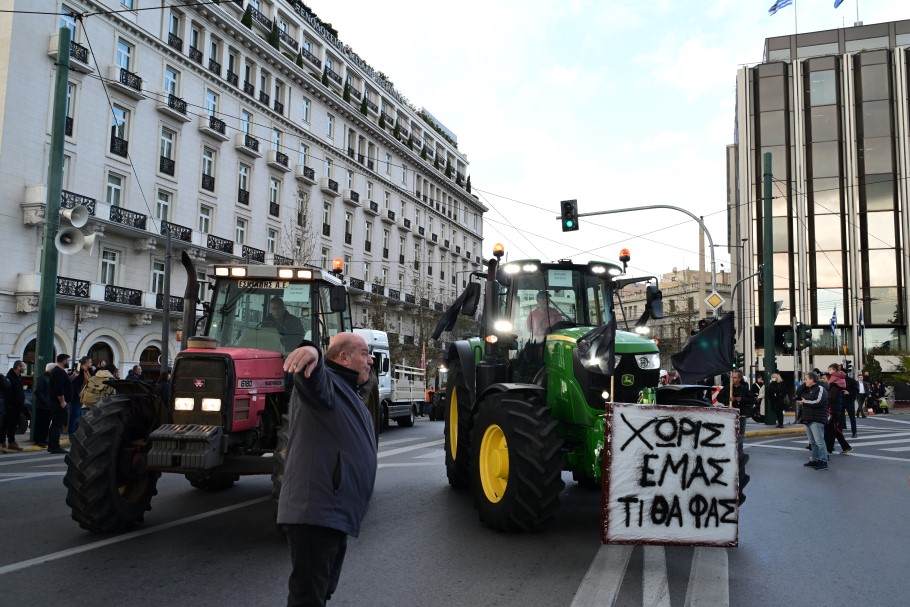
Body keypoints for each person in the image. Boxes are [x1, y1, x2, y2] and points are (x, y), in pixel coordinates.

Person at [279, 333, 378, 607]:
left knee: (319, 593)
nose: (370, 360)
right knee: (307, 598)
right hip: (316, 513)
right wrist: (312, 350)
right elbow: (310, 375)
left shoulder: (348, 390)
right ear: (343, 357)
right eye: (363, 353)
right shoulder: (325, 384)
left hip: (331, 513)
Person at [797, 371, 829, 470]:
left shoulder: (820, 389)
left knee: (819, 442)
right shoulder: (808, 389)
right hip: (808, 418)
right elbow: (798, 392)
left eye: (806, 379)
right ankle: (815, 459)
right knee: (812, 442)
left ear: (812, 379)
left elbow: (818, 402)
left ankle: (823, 461)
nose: (804, 381)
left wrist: (804, 402)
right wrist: (805, 385)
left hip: (816, 419)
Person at [47, 354, 74, 454]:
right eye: (68, 360)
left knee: (55, 425)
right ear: (63, 361)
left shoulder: (59, 372)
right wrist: (62, 401)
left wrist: (73, 377)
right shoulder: (59, 372)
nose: (69, 362)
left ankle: (52, 446)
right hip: (58, 403)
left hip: (57, 402)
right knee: (57, 425)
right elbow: (59, 388)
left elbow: (64, 385)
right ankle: (55, 446)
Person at [824, 366, 852, 455]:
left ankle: (829, 449)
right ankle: (845, 447)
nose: (829, 371)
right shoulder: (839, 384)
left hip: (833, 410)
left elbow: (831, 398)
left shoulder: (834, 386)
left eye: (830, 370)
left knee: (831, 429)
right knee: (835, 429)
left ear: (835, 371)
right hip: (836, 409)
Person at [3, 360, 27, 451]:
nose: (25, 368)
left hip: (18, 406)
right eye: (24, 366)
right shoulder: (9, 378)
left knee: (13, 425)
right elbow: (8, 393)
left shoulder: (19, 377)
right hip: (11, 406)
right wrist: (11, 404)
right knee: (6, 424)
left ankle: (11, 442)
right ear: (18, 367)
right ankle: (2, 442)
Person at [32, 363, 56, 448]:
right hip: (42, 405)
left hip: (47, 404)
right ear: (51, 369)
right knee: (40, 423)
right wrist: (46, 401)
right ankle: (38, 440)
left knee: (46, 423)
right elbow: (38, 391)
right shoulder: (42, 378)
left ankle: (43, 439)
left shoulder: (50, 377)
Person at [69, 356, 92, 434]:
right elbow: (76, 385)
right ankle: (72, 432)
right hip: (77, 396)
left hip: (81, 396)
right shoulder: (80, 372)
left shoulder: (86, 371)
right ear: (86, 363)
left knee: (78, 415)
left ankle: (75, 431)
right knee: (75, 415)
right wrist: (78, 395)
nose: (91, 364)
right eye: (90, 362)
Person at [843, 368, 858, 437]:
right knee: (839, 418)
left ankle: (854, 432)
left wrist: (849, 392)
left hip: (849, 401)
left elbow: (856, 390)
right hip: (841, 401)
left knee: (852, 417)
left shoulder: (851, 380)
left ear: (845, 373)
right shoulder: (837, 381)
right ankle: (840, 433)